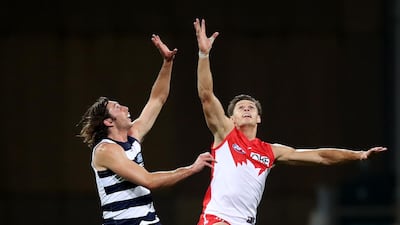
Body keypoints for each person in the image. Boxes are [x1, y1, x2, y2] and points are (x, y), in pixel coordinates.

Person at [193, 18, 387, 225]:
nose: (247, 108)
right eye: (241, 108)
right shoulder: (225, 133)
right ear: (231, 118)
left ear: (259, 118)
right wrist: (204, 55)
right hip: (216, 219)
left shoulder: (271, 151)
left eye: (251, 107)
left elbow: (320, 156)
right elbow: (206, 95)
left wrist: (358, 155)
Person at [78, 34, 215, 225]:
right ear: (109, 122)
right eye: (117, 108)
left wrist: (167, 62)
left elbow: (157, 98)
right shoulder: (105, 150)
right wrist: (191, 169)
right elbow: (148, 181)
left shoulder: (132, 135)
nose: (125, 108)